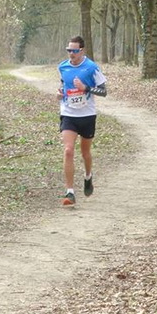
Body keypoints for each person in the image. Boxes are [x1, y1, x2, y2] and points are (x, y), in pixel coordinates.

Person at [57, 36, 107, 206]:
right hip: (68, 114)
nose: (71, 53)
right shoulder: (62, 67)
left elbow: (103, 92)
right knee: (68, 150)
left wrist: (85, 88)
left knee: (85, 153)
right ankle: (69, 192)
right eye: (69, 50)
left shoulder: (91, 68)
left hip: (87, 116)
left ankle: (88, 176)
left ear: (82, 51)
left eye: (75, 50)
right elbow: (63, 85)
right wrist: (60, 93)